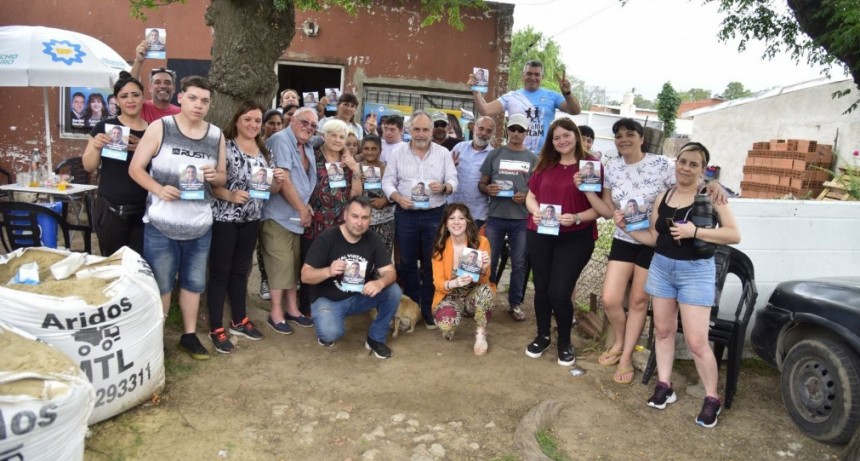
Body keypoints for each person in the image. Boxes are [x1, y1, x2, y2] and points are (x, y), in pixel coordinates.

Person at [579, 118, 725, 385]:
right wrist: (587, 191)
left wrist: (713, 184)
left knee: (637, 302)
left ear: (641, 137)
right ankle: (621, 341)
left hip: (654, 242)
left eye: (629, 134)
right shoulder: (611, 167)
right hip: (624, 237)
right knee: (610, 299)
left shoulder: (662, 165)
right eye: (618, 135)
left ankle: (625, 358)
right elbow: (609, 209)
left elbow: (689, 178)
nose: (624, 139)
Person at [620, 142, 740, 428]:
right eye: (682, 161)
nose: (686, 168)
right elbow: (653, 237)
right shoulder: (664, 195)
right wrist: (626, 228)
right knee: (663, 331)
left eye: (693, 164)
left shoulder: (711, 196)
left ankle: (712, 399)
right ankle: (665, 385)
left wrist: (694, 231)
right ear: (676, 163)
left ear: (703, 169)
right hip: (661, 267)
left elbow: (734, 235)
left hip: (696, 272)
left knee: (698, 341)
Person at [128, 75, 227, 360]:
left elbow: (222, 176)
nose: (199, 105)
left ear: (210, 104)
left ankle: (189, 336)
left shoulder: (215, 135)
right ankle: (155, 340)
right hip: (161, 224)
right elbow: (136, 169)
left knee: (194, 284)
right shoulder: (161, 128)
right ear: (180, 98)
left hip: (199, 224)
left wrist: (215, 175)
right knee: (161, 284)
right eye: (193, 98)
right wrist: (159, 188)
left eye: (205, 101)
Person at [206, 101, 285, 354]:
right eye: (248, 119)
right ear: (237, 121)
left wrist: (278, 182)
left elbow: (270, 190)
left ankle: (239, 320)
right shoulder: (226, 147)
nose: (252, 124)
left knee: (241, 272)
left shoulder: (264, 152)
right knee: (220, 274)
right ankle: (216, 328)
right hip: (225, 220)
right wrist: (229, 196)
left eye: (257, 121)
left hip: (251, 220)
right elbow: (211, 185)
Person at [524, 118, 600, 367]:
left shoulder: (591, 165)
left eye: (566, 135)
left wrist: (577, 217)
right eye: (556, 138)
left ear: (576, 136)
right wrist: (534, 210)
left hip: (575, 237)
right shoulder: (544, 164)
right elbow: (531, 196)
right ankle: (542, 334)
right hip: (540, 233)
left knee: (559, 291)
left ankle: (564, 341)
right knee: (542, 288)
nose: (562, 141)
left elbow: (598, 209)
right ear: (551, 141)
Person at [382, 110, 458, 328]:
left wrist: (445, 187)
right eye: (417, 129)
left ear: (432, 131)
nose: (421, 134)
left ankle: (427, 308)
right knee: (407, 263)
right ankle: (413, 304)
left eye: (426, 129)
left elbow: (453, 179)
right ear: (409, 130)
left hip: (434, 214)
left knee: (431, 263)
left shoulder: (443, 153)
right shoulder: (397, 152)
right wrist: (396, 197)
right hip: (406, 214)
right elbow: (388, 181)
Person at [301, 196, 402, 359]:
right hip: (328, 299)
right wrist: (328, 270)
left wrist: (380, 282)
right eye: (355, 216)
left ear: (370, 219)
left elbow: (390, 272)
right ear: (345, 215)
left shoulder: (373, 239)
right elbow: (305, 275)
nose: (359, 223)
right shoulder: (327, 238)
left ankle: (376, 338)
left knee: (393, 291)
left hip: (358, 296)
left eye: (365, 218)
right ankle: (327, 323)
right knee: (330, 334)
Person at [259, 107, 319, 334]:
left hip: (296, 216)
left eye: (313, 125)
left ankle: (293, 310)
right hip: (277, 215)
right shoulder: (280, 140)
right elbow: (283, 181)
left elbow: (305, 178)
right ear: (292, 120)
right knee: (280, 265)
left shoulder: (307, 144)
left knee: (293, 265)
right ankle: (276, 313)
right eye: (304, 122)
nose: (309, 128)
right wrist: (302, 208)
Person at [299, 119, 363, 316]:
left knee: (335, 265)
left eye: (341, 136)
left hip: (338, 223)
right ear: (324, 136)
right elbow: (300, 181)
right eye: (333, 135)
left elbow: (355, 196)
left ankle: (332, 306)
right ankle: (306, 308)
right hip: (315, 221)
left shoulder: (348, 161)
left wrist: (355, 170)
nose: (337, 140)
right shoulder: (313, 155)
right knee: (312, 263)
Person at [82, 71, 149, 256]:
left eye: (135, 95)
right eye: (124, 96)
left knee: (139, 263)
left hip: (143, 210)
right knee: (112, 262)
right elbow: (88, 166)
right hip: (110, 208)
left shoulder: (154, 130)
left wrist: (144, 150)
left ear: (143, 98)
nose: (130, 100)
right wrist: (96, 147)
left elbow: (160, 170)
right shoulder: (104, 128)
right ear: (117, 101)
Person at [478, 113, 536, 322]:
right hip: (495, 216)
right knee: (488, 262)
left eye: (521, 130)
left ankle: (515, 303)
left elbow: (538, 190)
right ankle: (486, 300)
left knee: (519, 263)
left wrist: (527, 196)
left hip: (521, 220)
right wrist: (488, 189)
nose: (516, 133)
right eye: (513, 129)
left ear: (526, 133)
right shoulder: (495, 154)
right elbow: (481, 183)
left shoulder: (533, 159)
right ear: (507, 130)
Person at [469, 60, 582, 153]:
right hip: (518, 154)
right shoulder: (512, 97)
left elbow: (575, 110)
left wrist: (567, 93)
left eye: (537, 74)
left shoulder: (552, 96)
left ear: (542, 77)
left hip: (544, 156)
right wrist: (475, 90)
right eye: (529, 73)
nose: (533, 78)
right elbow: (485, 110)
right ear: (522, 76)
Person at [431, 203, 493, 355]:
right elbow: (438, 283)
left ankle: (480, 334)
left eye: (461, 218)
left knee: (486, 291)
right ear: (446, 224)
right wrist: (454, 282)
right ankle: (451, 323)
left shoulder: (482, 242)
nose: (456, 222)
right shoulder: (440, 247)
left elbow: (485, 279)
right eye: (452, 218)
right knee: (446, 323)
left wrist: (484, 268)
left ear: (468, 222)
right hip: (451, 294)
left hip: (474, 292)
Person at [449, 116, 495, 228]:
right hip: (452, 210)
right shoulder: (459, 148)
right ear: (474, 128)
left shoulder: (493, 155)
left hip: (476, 214)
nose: (484, 133)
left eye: (488, 131)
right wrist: (450, 168)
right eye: (481, 128)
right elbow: (444, 173)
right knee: (450, 244)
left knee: (471, 246)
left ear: (492, 134)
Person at [130, 40, 182, 123]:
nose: (163, 86)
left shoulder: (181, 114)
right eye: (157, 82)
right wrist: (138, 61)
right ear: (150, 87)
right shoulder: (140, 108)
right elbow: (130, 87)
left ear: (174, 88)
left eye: (167, 82)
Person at [359, 135, 395, 257]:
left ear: (380, 150)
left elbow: (399, 192)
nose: (370, 152)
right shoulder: (356, 168)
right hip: (361, 222)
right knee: (361, 258)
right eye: (366, 148)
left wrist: (385, 200)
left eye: (374, 149)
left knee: (382, 257)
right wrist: (357, 180)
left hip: (384, 221)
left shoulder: (390, 168)